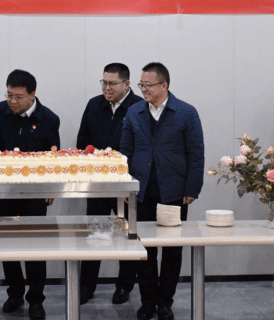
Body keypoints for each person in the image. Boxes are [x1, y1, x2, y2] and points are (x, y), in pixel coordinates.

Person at [0, 69, 60, 321]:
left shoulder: (49, 118)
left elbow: (53, 155)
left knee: (35, 247)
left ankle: (36, 299)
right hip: (6, 189)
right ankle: (15, 293)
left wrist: (51, 187)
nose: (12, 101)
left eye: (18, 97)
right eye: (9, 95)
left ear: (32, 95)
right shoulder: (0, 110)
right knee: (6, 244)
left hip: (35, 191)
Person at [120, 62, 205, 321]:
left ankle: (165, 302)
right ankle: (147, 302)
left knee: (172, 251)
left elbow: (196, 153)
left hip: (174, 193)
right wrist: (125, 187)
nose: (143, 89)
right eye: (141, 85)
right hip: (141, 192)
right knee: (144, 250)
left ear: (164, 85)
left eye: (148, 85)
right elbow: (125, 152)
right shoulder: (134, 112)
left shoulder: (186, 112)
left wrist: (192, 188)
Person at [76, 63, 143, 306]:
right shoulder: (94, 105)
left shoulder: (138, 107)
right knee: (96, 233)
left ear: (127, 84)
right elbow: (83, 141)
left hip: (126, 186)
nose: (107, 88)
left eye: (112, 83)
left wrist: (129, 181)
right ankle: (87, 285)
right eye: (104, 82)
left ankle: (124, 286)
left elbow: (141, 147)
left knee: (128, 235)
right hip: (98, 184)